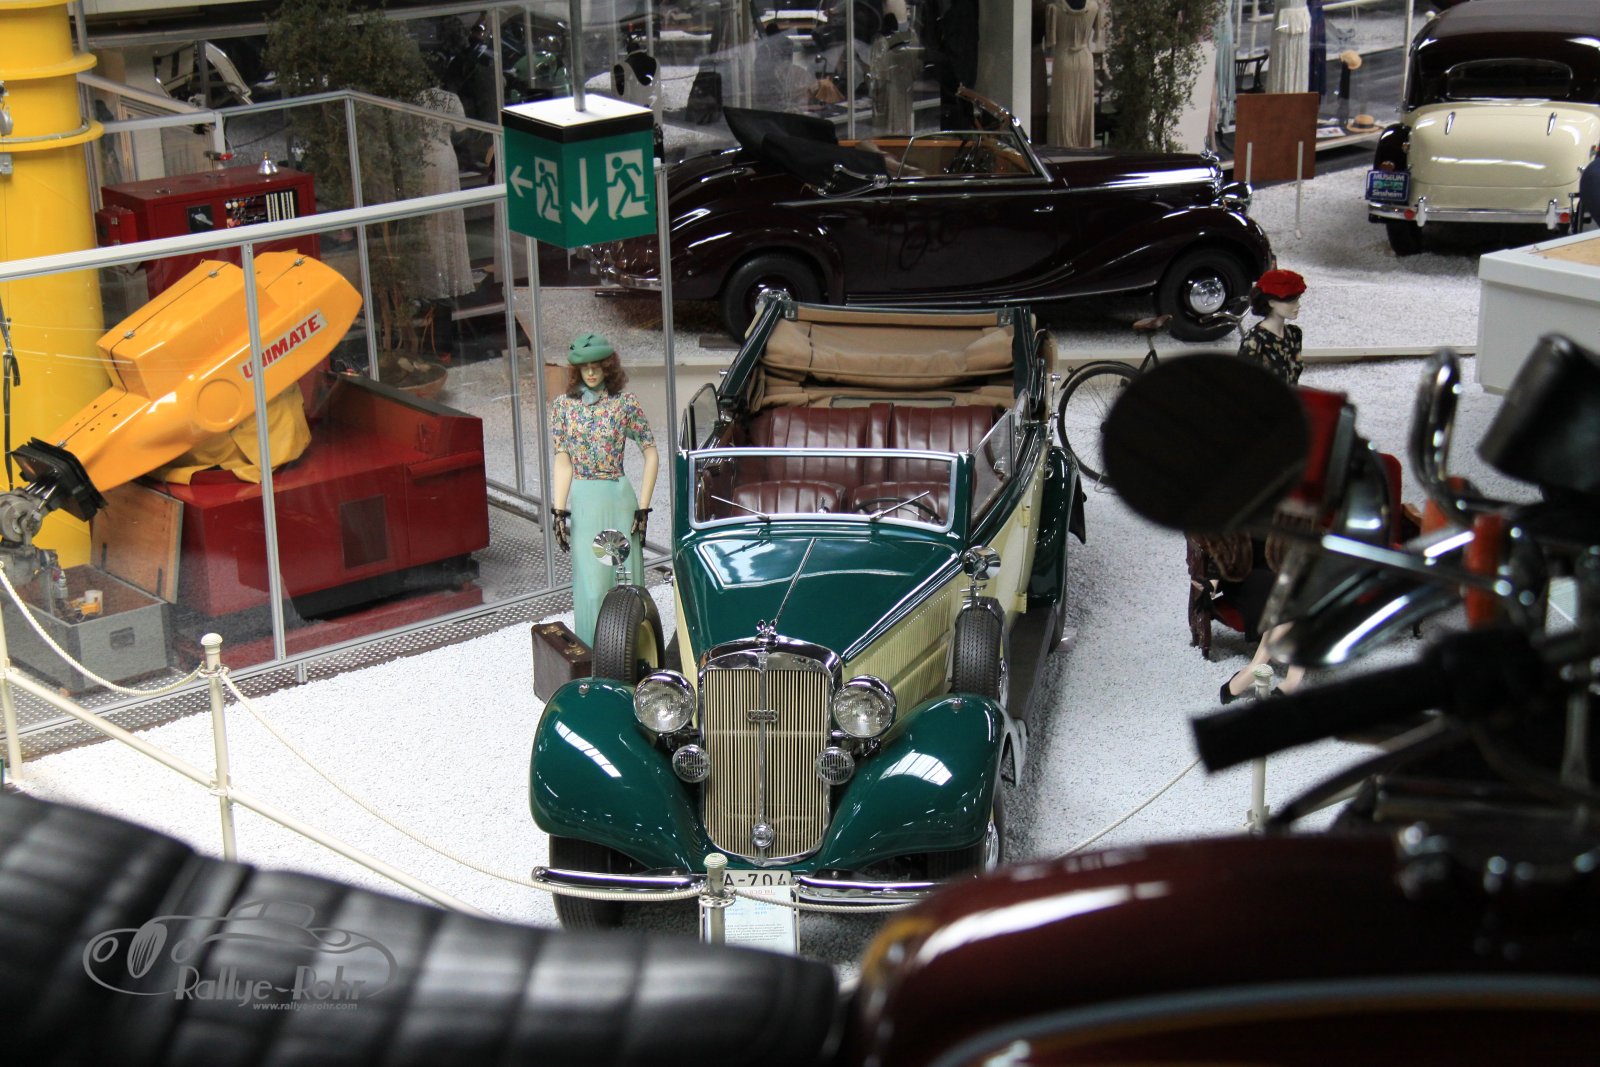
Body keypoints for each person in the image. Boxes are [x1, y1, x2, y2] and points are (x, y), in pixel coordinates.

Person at [1214, 268, 1308, 703]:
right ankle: (1272, 675)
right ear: (1269, 301)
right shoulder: (1254, 344)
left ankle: (1260, 674)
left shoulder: (1293, 337)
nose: (1296, 305)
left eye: (1298, 298)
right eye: (1289, 299)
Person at [549, 333, 659, 646]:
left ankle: (633, 651)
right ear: (577, 370)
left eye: (597, 366)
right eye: (585, 367)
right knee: (591, 583)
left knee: (623, 577)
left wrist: (644, 507)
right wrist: (559, 510)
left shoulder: (625, 404)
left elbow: (651, 453)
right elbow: (563, 461)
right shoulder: (563, 408)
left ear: (607, 368)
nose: (591, 372)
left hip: (619, 499)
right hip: (585, 500)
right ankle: (594, 651)